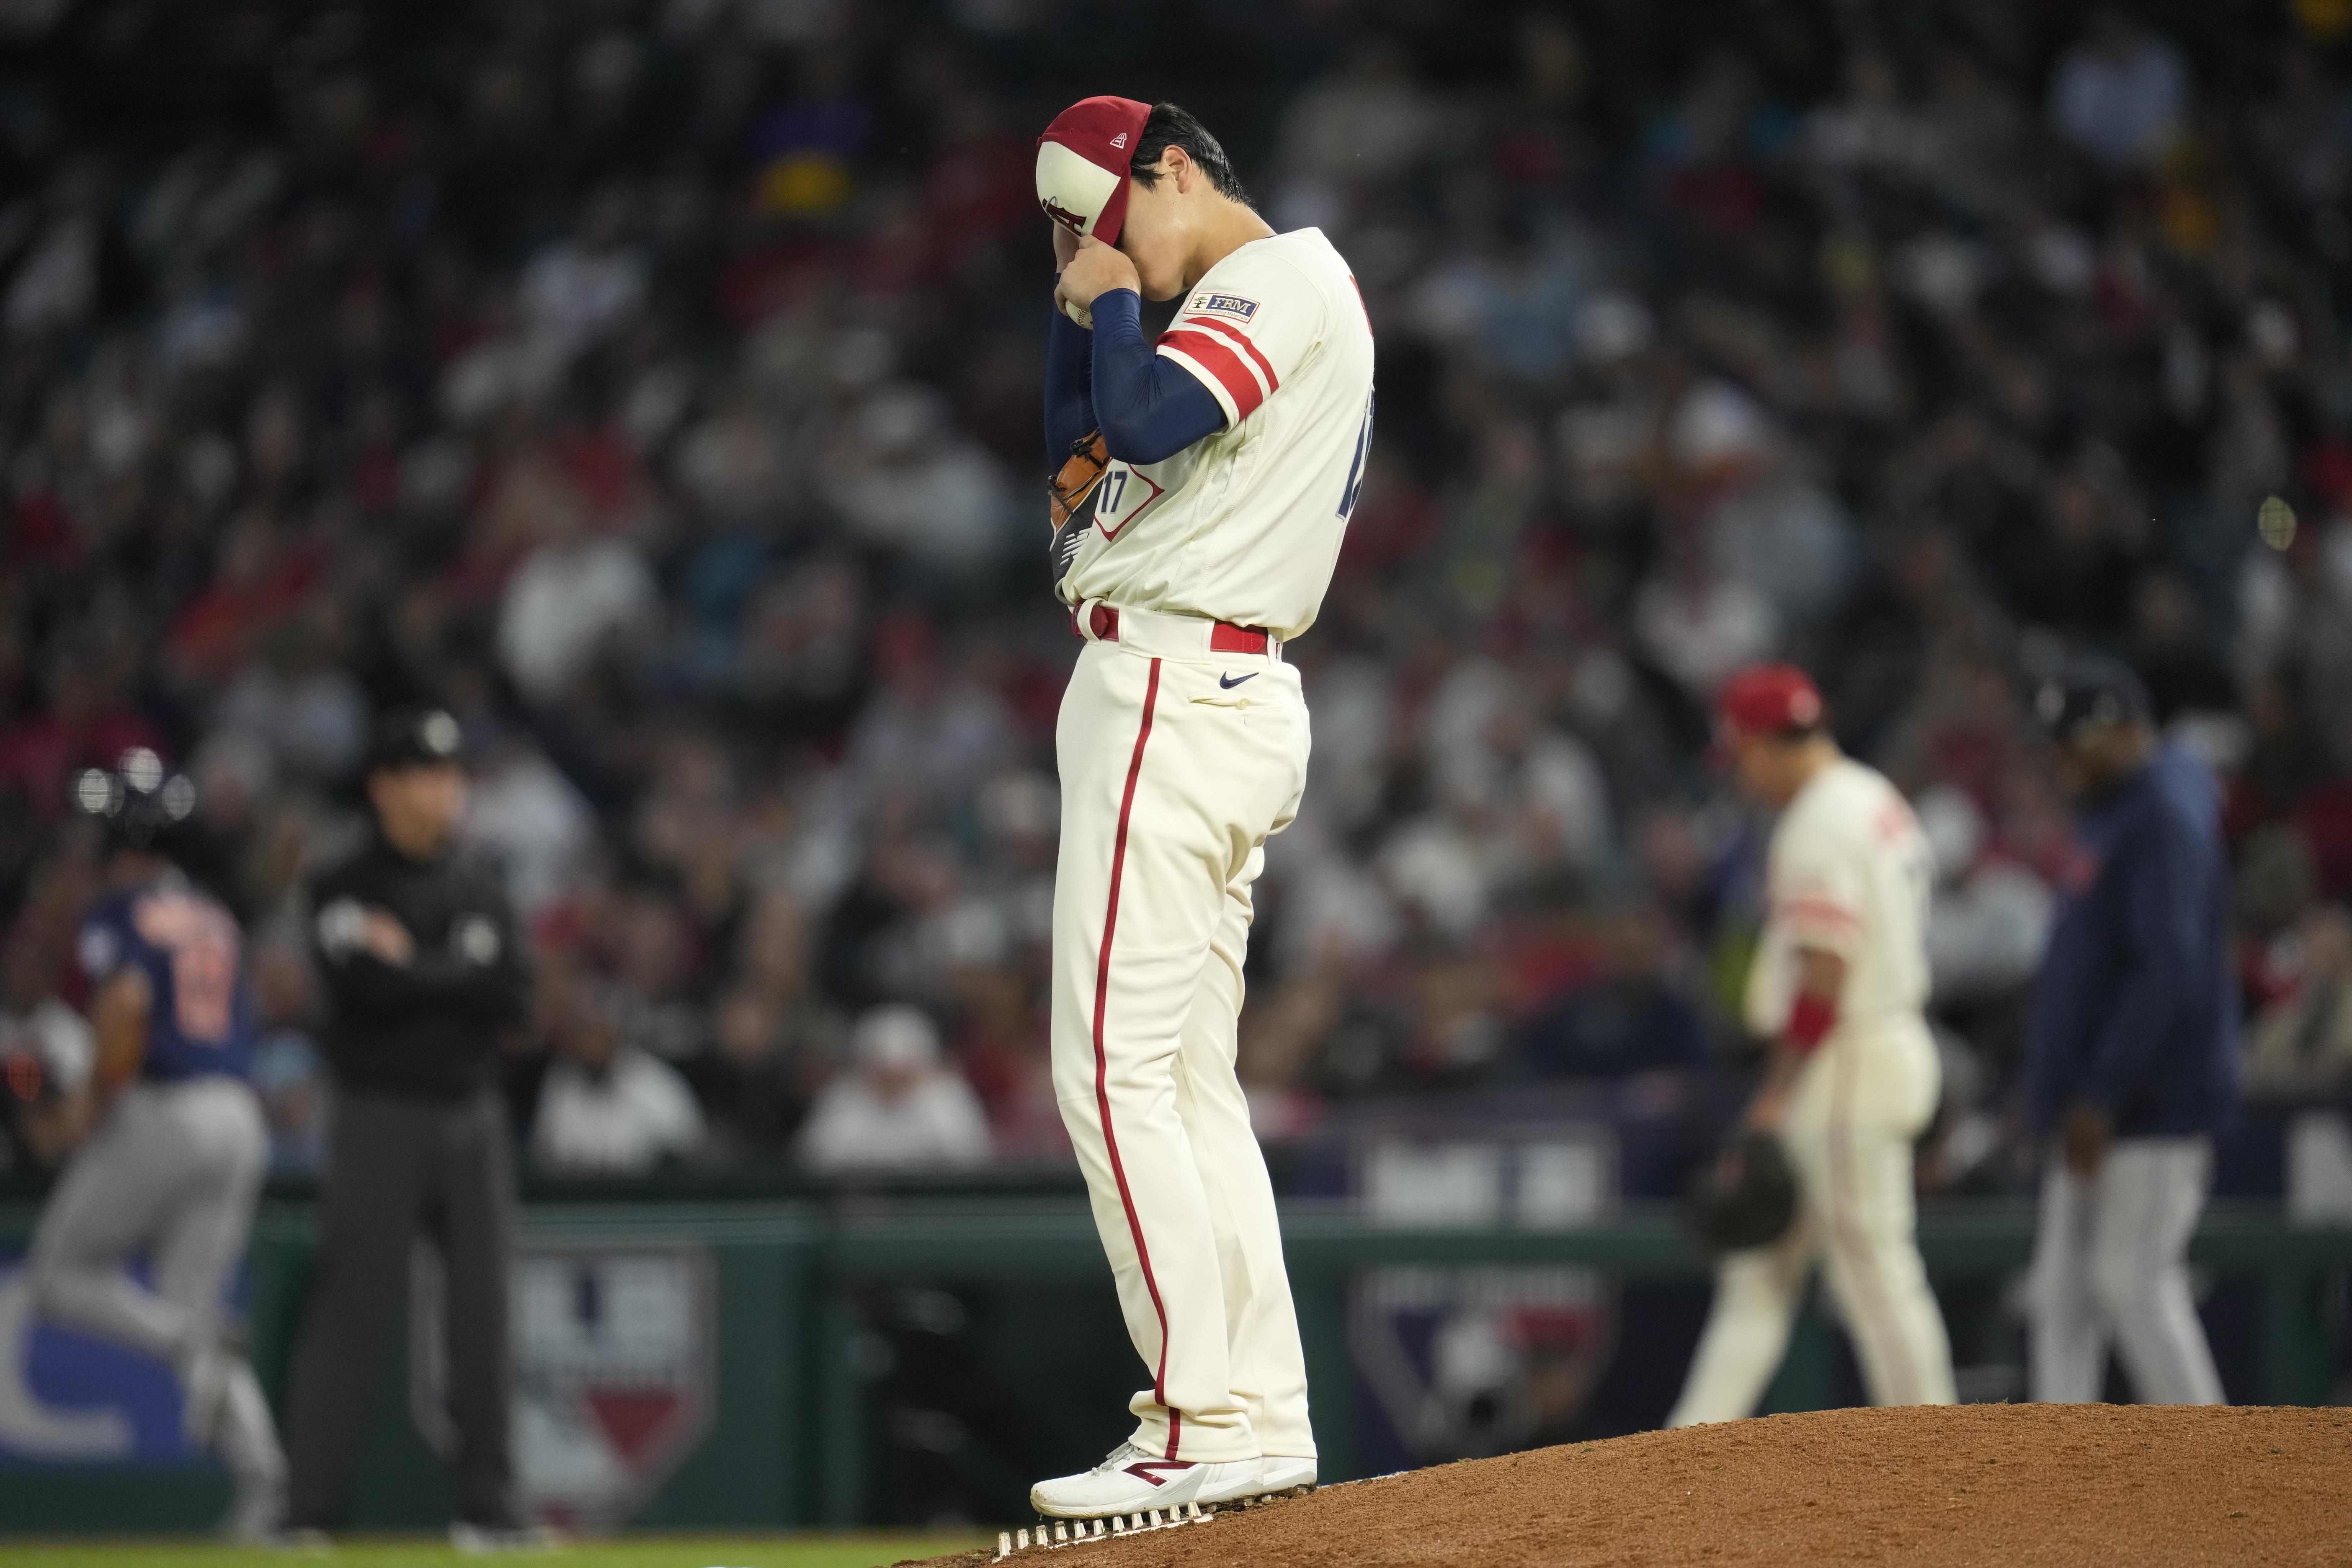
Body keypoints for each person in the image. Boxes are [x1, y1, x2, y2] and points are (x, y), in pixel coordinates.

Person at [1024, 96, 1373, 1519]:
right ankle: (1261, 1410)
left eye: (1100, 223)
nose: (1087, 258)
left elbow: (1149, 412)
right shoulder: (1193, 303)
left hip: (1176, 687)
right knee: (1182, 1084)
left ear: (1168, 171)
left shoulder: (1278, 273)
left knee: (1106, 1076)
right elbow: (1073, 478)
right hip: (1189, 689)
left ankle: (1194, 1414)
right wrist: (1087, 310)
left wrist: (1111, 316)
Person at [1668, 665, 1957, 1426]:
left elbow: (1826, 971)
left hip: (1847, 1061)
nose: (1741, 775)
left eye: (1741, 756)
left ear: (1765, 743)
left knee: (1874, 1273)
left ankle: (1941, 1450)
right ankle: (1684, 1449)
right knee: (1759, 1274)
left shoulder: (1817, 822)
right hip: (1879, 1039)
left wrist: (1774, 1089)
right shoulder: (1873, 794)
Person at [282, 709, 536, 1541]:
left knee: (485, 1320)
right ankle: (305, 1515)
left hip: (472, 1112)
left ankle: (490, 1512)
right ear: (384, 786)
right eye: (428, 773)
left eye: (454, 774)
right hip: (378, 1112)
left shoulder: (481, 885)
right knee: (353, 1311)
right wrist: (458, 972)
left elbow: (514, 999)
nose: (447, 789)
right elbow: (362, 991)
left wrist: (415, 968)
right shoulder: (344, 883)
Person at [26, 748, 286, 1537]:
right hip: (240, 1114)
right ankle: (266, 1484)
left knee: (59, 1274)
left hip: (163, 1108)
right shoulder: (212, 910)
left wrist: (92, 1102)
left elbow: (128, 1002)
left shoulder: (122, 908)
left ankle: (192, 1337)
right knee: (193, 1308)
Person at [2022, 657, 2236, 1406]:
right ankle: (2060, 1480)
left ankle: (2219, 1475)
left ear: (2123, 730)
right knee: (2062, 1293)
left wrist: (2101, 1093)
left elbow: (2169, 969)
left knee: (2132, 1279)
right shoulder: (2115, 803)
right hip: (2094, 1099)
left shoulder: (2164, 810)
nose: (2063, 760)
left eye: (2076, 742)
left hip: (2149, 1101)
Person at [797, 1003, 992, 1173]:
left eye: (902, 1071)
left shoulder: (948, 1097)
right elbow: (815, 1160)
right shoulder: (843, 1098)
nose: (892, 1079)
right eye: (882, 1071)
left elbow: (971, 1159)